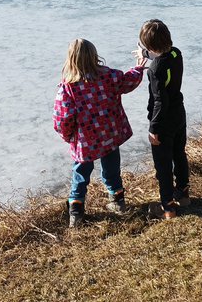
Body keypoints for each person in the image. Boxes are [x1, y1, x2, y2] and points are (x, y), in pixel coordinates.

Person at [53, 38, 146, 227]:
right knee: (112, 169)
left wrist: (67, 136)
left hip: (86, 141)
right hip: (109, 134)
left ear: (71, 60)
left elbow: (63, 119)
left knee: (80, 174)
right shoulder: (109, 76)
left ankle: (76, 213)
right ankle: (118, 202)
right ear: (95, 56)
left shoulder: (68, 87)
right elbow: (127, 82)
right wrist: (137, 69)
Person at [138, 19, 189, 220]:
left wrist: (154, 128)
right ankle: (183, 193)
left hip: (163, 122)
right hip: (179, 115)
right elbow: (162, 57)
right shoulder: (176, 53)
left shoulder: (154, 70)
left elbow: (159, 101)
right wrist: (144, 54)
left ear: (149, 46)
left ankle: (168, 207)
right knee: (179, 154)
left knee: (163, 165)